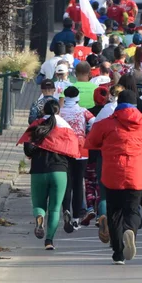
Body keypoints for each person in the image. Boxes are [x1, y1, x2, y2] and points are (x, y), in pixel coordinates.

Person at [85, 90, 142, 264]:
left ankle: (118, 254)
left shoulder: (106, 123)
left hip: (112, 173)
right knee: (132, 209)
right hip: (135, 172)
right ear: (136, 106)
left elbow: (91, 142)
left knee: (114, 212)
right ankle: (129, 229)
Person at [18, 97, 81, 251]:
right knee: (54, 208)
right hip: (59, 171)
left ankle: (39, 219)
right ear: (58, 111)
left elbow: (27, 149)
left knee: (39, 205)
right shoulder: (67, 129)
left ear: (43, 111)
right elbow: (74, 153)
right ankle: (49, 241)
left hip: (38, 170)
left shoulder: (35, 126)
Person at [59, 87, 94, 233]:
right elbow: (94, 122)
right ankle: (75, 218)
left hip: (63, 149)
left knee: (65, 183)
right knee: (78, 183)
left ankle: (66, 210)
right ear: (78, 98)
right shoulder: (83, 111)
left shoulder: (59, 112)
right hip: (81, 149)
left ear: (65, 97)